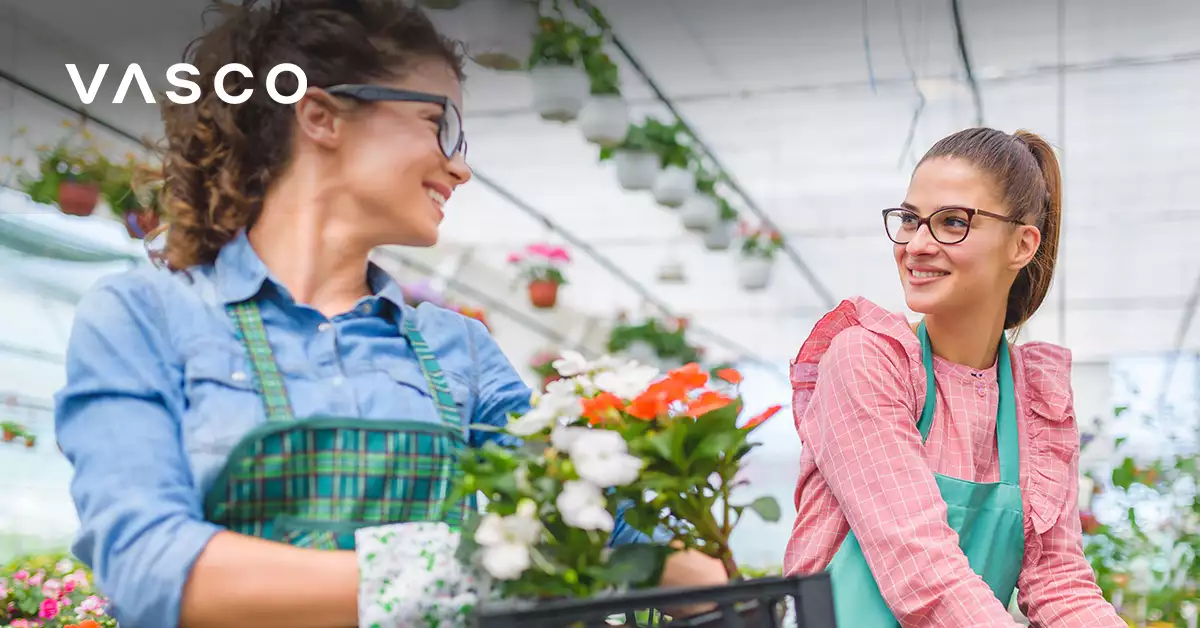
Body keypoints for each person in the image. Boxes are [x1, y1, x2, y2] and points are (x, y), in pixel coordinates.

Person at [52, 2, 725, 627]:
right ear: (321, 116)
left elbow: (588, 514)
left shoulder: (455, 347)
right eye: (441, 125)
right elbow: (151, 565)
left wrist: (706, 574)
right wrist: (452, 575)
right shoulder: (147, 316)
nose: (460, 168)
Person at [783, 127, 1124, 627]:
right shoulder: (868, 360)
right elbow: (924, 571)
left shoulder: (1036, 399)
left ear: (1022, 244)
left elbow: (1058, 580)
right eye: (909, 220)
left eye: (952, 223)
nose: (917, 245)